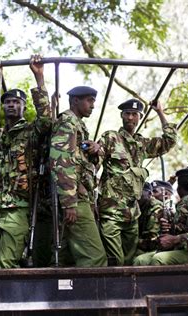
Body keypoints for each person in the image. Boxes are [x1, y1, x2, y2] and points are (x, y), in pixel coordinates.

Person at [0, 55, 51, 268]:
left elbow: (47, 120)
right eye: (8, 102)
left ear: (23, 106)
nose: (11, 105)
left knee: (6, 262)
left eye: (17, 102)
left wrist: (39, 78)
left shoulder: (30, 132)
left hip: (17, 206)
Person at [96, 98, 177, 266]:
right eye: (127, 114)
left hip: (132, 215)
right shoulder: (111, 138)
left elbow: (169, 141)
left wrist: (160, 112)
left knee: (132, 261)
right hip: (111, 213)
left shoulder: (142, 144)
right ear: (122, 116)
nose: (131, 118)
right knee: (116, 261)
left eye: (135, 114)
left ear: (140, 117)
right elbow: (94, 165)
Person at [50, 86, 107, 267]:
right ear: (75, 101)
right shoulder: (68, 123)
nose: (92, 106)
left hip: (79, 197)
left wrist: (96, 150)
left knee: (65, 260)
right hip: (74, 200)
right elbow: (61, 162)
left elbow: (81, 165)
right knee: (95, 259)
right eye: (89, 100)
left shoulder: (78, 125)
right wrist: (70, 203)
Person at [132, 183, 164, 265]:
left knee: (134, 258)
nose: (136, 195)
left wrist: (132, 241)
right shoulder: (137, 206)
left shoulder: (156, 208)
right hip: (143, 244)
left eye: (140, 193)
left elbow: (153, 240)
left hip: (155, 247)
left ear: (150, 194)